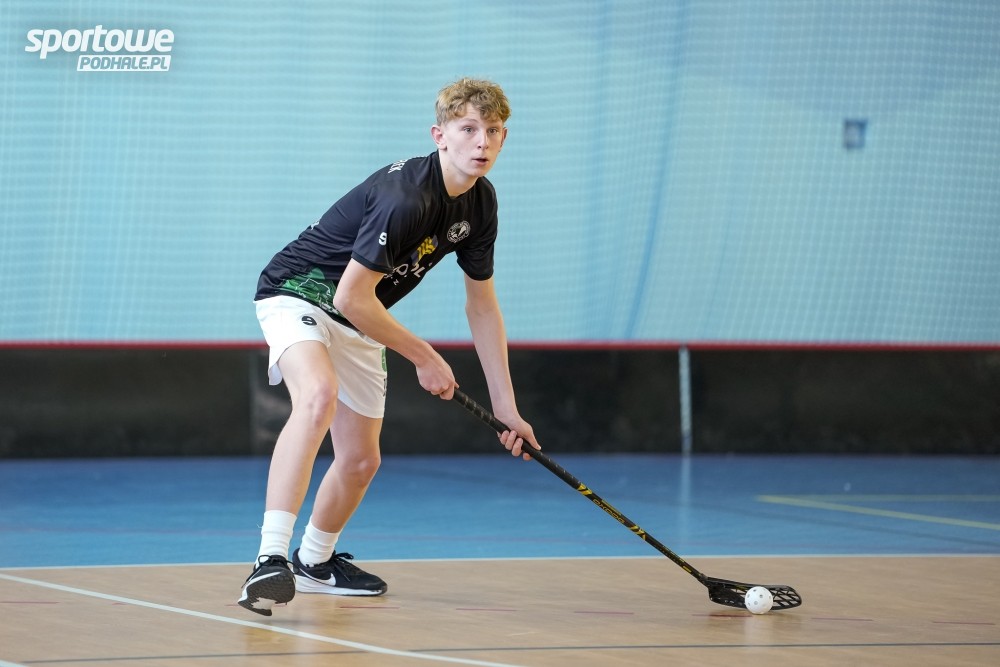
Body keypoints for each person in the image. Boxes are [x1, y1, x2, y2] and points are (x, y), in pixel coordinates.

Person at [238, 77, 538, 616]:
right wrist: (423, 355)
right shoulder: (407, 196)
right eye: (468, 129)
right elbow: (350, 296)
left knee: (360, 459)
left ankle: (314, 562)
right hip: (300, 292)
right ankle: (269, 559)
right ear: (439, 135)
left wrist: (506, 409)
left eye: (493, 131)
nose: (482, 142)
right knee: (317, 396)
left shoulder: (481, 204)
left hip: (360, 319)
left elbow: (482, 308)